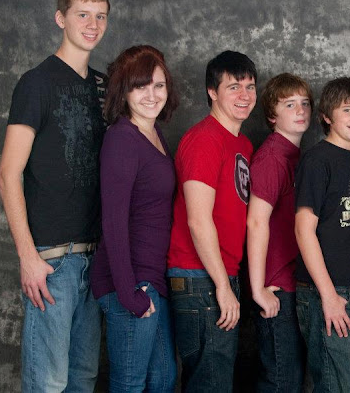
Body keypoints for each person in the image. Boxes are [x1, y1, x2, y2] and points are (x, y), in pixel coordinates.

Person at [0, 0, 109, 392]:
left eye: (100, 16)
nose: (92, 24)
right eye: (83, 14)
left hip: (94, 259)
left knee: (83, 380)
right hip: (51, 261)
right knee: (48, 384)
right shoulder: (36, 83)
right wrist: (28, 257)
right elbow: (8, 173)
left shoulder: (105, 87)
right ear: (61, 18)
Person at [89, 45, 179, 391]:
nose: (151, 95)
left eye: (158, 85)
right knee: (130, 384)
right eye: (140, 86)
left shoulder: (153, 134)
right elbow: (113, 222)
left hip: (152, 278)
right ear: (123, 91)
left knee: (163, 378)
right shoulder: (122, 138)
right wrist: (128, 293)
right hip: (129, 282)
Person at [166, 50, 256, 392]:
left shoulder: (242, 143)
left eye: (250, 86)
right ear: (212, 92)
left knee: (214, 380)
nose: (244, 95)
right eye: (233, 87)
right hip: (200, 278)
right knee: (210, 383)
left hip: (219, 275)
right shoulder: (205, 139)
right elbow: (198, 220)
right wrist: (221, 285)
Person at [294, 77, 350, 393]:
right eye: (347, 109)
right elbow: (304, 230)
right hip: (325, 292)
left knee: (341, 383)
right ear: (327, 116)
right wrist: (328, 296)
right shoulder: (317, 160)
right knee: (334, 387)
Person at [247, 73, 312, 392]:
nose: (300, 110)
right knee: (281, 381)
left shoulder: (296, 155)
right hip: (276, 287)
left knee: (292, 378)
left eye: (305, 103)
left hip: (293, 282)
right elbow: (256, 222)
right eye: (289, 104)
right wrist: (259, 288)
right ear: (272, 115)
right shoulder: (272, 157)